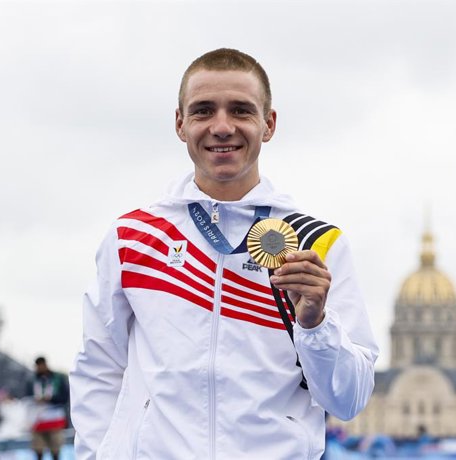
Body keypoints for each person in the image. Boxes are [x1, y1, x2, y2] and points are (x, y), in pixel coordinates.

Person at [70, 48, 379, 460]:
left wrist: (315, 325)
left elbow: (350, 400)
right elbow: (98, 369)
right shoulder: (133, 237)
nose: (221, 127)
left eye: (240, 110)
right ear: (180, 124)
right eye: (202, 111)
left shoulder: (316, 242)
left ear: (268, 124)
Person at [26, 356, 69, 460]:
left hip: (54, 418)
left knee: (55, 449)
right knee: (38, 448)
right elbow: (27, 398)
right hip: (38, 419)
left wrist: (49, 399)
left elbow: (64, 397)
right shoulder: (32, 380)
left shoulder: (58, 378)